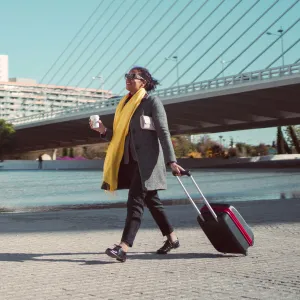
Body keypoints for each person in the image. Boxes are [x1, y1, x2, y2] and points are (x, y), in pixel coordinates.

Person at [90, 66, 185, 262]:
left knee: (135, 201)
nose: (128, 79)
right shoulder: (124, 104)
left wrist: (172, 161)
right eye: (127, 76)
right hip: (131, 162)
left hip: (148, 163)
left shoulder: (151, 101)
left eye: (133, 76)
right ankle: (172, 238)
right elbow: (118, 137)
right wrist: (102, 130)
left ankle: (123, 247)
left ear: (144, 81)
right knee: (152, 201)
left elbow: (163, 133)